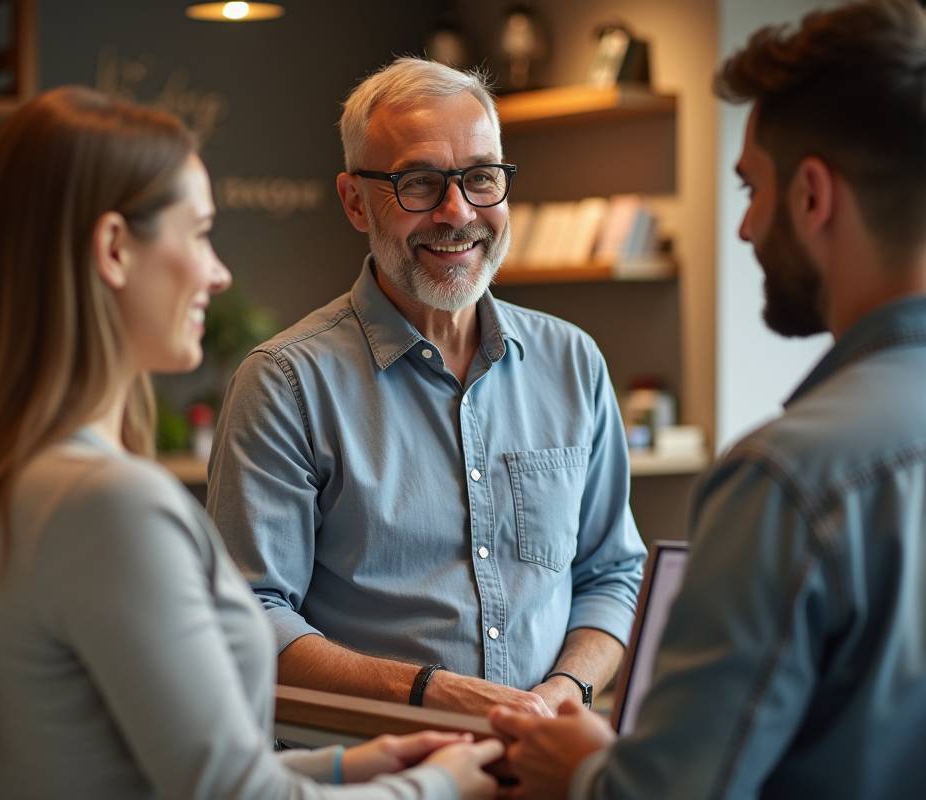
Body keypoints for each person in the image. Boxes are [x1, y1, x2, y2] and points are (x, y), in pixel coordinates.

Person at [0, 86, 504, 800]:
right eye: (200, 233)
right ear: (115, 248)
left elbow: (139, 766)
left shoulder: (6, 476)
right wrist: (441, 787)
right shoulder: (109, 505)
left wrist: (350, 766)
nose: (219, 272)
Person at [491, 1, 926, 798]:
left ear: (812, 196)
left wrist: (584, 770)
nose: (742, 229)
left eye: (750, 189)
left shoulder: (788, 478)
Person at [208, 57, 647, 719]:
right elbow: (248, 621)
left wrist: (564, 694)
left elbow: (610, 574)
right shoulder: (286, 385)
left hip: (540, 767)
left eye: (480, 178)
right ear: (355, 200)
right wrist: (432, 695)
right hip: (369, 777)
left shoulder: (573, 361)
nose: (457, 212)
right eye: (418, 183)